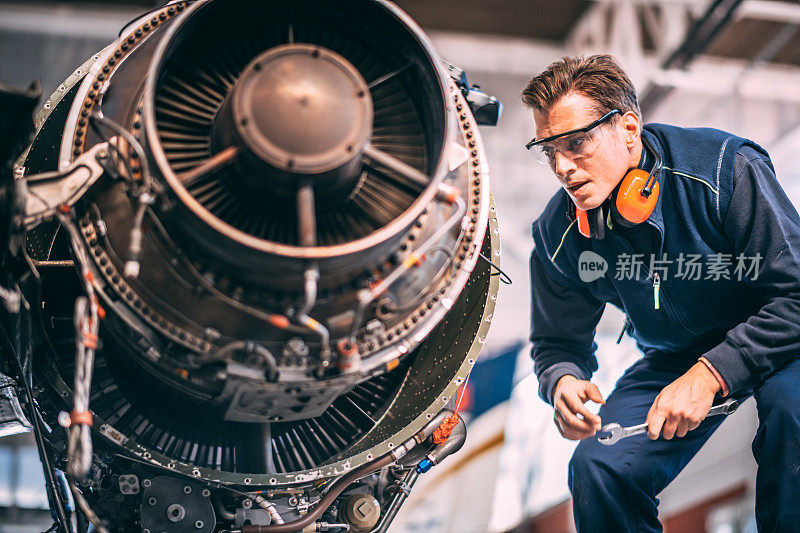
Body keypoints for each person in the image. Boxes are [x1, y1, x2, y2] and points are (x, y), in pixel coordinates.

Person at [523, 54, 800, 532]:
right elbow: (557, 344)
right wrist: (562, 380)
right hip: (675, 355)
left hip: (776, 330)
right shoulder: (559, 233)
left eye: (576, 144)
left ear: (629, 129)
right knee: (598, 467)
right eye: (549, 151)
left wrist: (714, 372)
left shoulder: (723, 170)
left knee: (793, 412)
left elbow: (797, 295)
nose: (563, 168)